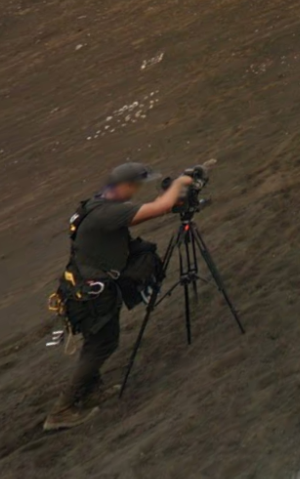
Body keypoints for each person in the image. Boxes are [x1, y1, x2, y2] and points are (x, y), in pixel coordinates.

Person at [43, 162, 198, 430]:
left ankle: (91, 392)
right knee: (101, 346)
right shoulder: (108, 212)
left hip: (81, 289)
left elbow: (150, 208)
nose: (136, 191)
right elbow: (160, 208)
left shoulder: (96, 204)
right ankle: (62, 410)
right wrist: (181, 183)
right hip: (91, 294)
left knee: (98, 343)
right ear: (125, 185)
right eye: (135, 186)